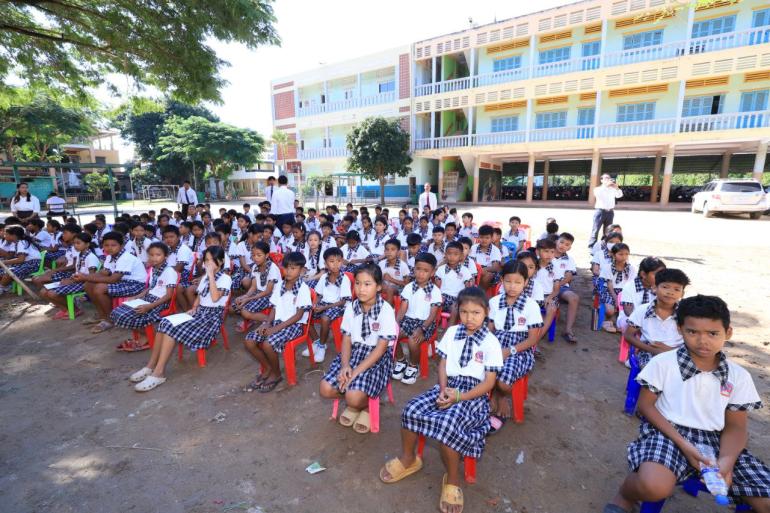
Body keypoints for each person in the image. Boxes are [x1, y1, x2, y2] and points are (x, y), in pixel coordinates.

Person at [604, 295, 770, 513]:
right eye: (692, 332)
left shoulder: (738, 376)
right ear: (680, 329)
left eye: (713, 333)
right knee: (653, 486)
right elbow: (646, 406)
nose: (703, 341)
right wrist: (684, 444)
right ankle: (625, 495)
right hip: (666, 432)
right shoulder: (663, 363)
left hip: (717, 440)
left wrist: (726, 462)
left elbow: (736, 427)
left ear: (728, 332)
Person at [379, 287, 503, 513]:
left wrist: (460, 396)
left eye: (476, 313)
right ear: (458, 311)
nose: (469, 318)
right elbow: (443, 365)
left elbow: (489, 383)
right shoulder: (452, 332)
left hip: (474, 395)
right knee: (411, 409)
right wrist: (444, 390)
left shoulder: (491, 342)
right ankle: (409, 458)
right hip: (447, 386)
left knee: (448, 424)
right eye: (464, 312)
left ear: (486, 312)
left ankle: (453, 479)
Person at [129, 246, 231, 392]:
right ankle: (150, 366)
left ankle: (158, 373)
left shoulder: (225, 279)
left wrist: (210, 276)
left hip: (211, 319)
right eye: (206, 260)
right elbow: (200, 296)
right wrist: (194, 307)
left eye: (211, 260)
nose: (208, 263)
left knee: (170, 328)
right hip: (199, 313)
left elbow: (215, 298)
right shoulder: (205, 278)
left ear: (220, 262)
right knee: (164, 322)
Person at [319, 263, 398, 434]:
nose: (361, 289)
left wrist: (354, 373)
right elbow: (346, 339)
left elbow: (380, 350)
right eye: (357, 283)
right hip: (354, 353)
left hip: (376, 358)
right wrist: (345, 366)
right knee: (325, 389)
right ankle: (356, 402)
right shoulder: (351, 307)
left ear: (378, 287)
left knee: (353, 396)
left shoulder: (386, 310)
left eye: (367, 284)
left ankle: (364, 406)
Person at [243, 252, 313, 393]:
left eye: (293, 268)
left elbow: (299, 315)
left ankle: (276, 374)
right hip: (277, 323)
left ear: (301, 270)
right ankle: (268, 368)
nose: (288, 271)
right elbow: (274, 308)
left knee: (268, 344)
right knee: (249, 340)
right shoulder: (280, 285)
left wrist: (276, 329)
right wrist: (267, 323)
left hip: (294, 325)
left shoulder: (303, 289)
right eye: (286, 268)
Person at [487, 261, 543, 431]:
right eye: (508, 281)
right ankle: (487, 401)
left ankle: (500, 396)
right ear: (502, 280)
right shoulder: (495, 302)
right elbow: (489, 330)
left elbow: (532, 340)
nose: (512, 286)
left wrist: (509, 351)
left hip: (520, 348)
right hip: (496, 343)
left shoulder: (531, 306)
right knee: (481, 369)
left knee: (503, 382)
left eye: (518, 282)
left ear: (526, 282)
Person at [112, 242, 178, 352]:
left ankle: (148, 337)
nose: (154, 258)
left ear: (165, 256)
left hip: (160, 302)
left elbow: (169, 295)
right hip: (149, 298)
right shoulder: (154, 269)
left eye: (158, 255)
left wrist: (149, 306)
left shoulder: (169, 271)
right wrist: (136, 297)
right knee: (117, 312)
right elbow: (150, 288)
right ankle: (146, 335)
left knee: (127, 316)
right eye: (151, 255)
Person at [81, 231, 147, 333]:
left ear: (121, 245)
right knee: (88, 285)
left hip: (135, 285)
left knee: (99, 288)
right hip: (122, 282)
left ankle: (109, 320)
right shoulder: (109, 257)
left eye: (113, 245)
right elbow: (104, 273)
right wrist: (86, 278)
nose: (109, 248)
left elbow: (113, 279)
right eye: (106, 245)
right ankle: (102, 315)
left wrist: (85, 277)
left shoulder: (126, 258)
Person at [624, 268, 690, 369]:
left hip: (677, 352)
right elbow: (628, 335)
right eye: (665, 287)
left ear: (682, 294)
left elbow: (692, 340)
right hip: (648, 351)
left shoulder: (686, 313)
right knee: (655, 368)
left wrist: (671, 351)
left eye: (677, 289)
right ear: (654, 288)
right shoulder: (642, 310)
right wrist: (653, 350)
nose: (670, 292)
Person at [392, 253, 442, 385]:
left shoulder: (435, 291)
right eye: (418, 269)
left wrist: (422, 328)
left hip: (426, 323)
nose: (421, 273)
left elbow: (432, 315)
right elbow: (403, 308)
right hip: (408, 320)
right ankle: (401, 360)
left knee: (413, 340)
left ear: (432, 272)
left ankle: (413, 366)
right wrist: (396, 323)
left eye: (425, 270)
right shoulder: (409, 287)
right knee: (392, 335)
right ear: (414, 269)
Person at [307, 247, 353, 363]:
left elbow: (343, 301)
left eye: (339, 261)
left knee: (325, 318)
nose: (336, 264)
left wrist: (324, 307)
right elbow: (319, 294)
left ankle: (322, 346)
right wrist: (315, 304)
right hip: (325, 304)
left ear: (342, 261)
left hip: (339, 306)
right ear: (325, 264)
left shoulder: (344, 279)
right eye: (332, 261)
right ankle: (317, 341)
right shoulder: (324, 277)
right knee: (306, 315)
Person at [40, 232, 100, 318]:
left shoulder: (91, 257)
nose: (75, 245)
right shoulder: (80, 254)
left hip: (84, 283)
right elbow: (77, 271)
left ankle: (76, 310)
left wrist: (72, 281)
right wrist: (69, 279)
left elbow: (91, 277)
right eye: (74, 243)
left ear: (87, 244)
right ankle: (65, 309)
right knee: (43, 291)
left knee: (52, 293)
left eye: (78, 243)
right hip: (76, 280)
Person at [618, 257, 666, 333]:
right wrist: (644, 323)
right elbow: (628, 312)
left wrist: (659, 294)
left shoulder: (660, 287)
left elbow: (664, 308)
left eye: (663, 274)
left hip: (652, 320)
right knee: (628, 324)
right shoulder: (629, 287)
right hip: (632, 318)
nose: (660, 277)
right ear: (643, 274)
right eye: (656, 274)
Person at [434, 241, 474, 326]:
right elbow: (437, 288)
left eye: (456, 254)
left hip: (457, 298)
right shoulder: (441, 269)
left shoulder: (465, 271)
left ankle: (449, 328)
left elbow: (468, 289)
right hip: (443, 296)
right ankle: (434, 324)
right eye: (449, 254)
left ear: (461, 256)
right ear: (445, 254)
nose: (452, 257)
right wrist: (438, 297)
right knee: (434, 303)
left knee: (455, 307)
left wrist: (462, 299)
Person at [599, 243, 636, 333]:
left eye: (626, 254)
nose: (624, 257)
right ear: (613, 255)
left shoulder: (631, 268)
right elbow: (609, 285)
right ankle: (607, 320)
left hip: (625, 291)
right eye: (621, 254)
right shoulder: (608, 267)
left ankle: (619, 323)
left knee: (626, 309)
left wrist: (623, 296)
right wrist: (616, 299)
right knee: (610, 310)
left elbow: (630, 284)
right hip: (609, 290)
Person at [0, 225, 44, 293]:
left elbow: (21, 259)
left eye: (6, 234)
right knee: (3, 271)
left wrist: (4, 262)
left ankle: (2, 287)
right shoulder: (18, 243)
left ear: (13, 235)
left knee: (9, 272)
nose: (4, 236)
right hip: (26, 263)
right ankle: (6, 286)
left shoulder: (21, 242)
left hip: (32, 264)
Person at [554, 233, 580, 344]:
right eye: (561, 242)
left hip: (561, 287)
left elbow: (568, 277)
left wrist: (557, 286)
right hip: (544, 287)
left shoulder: (569, 260)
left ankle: (568, 330)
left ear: (569, 248)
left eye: (567, 244)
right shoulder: (547, 254)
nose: (563, 246)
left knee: (574, 298)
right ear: (556, 241)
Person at [588, 174, 624, 250]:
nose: (608, 179)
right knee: (595, 230)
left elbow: (619, 195)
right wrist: (606, 186)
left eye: (609, 178)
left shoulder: (613, 189)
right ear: (601, 180)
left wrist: (617, 188)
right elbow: (598, 195)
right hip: (600, 211)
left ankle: (604, 245)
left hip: (610, 212)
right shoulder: (598, 189)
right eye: (606, 178)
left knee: (608, 230)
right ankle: (592, 246)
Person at [379, 238, 410, 303]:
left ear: (398, 252)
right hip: (384, 286)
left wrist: (391, 279)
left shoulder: (403, 265)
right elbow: (378, 279)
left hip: (398, 288)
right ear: (384, 251)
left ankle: (388, 308)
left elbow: (406, 284)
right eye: (387, 249)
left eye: (392, 249)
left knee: (390, 288)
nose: (389, 252)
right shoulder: (381, 263)